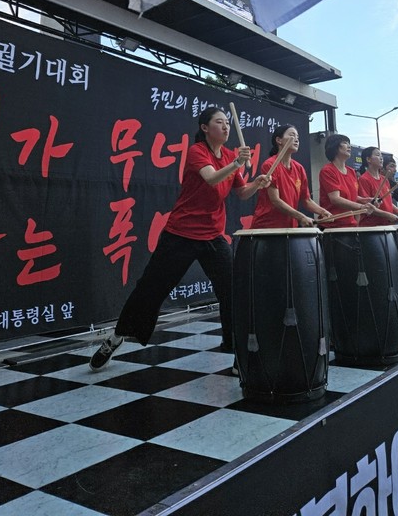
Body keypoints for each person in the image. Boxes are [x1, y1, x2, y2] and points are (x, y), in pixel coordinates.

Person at [89, 107, 270, 372]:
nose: (225, 127)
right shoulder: (198, 152)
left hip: (213, 236)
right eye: (219, 122)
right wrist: (236, 164)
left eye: (227, 123)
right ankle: (116, 336)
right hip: (181, 234)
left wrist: (258, 184)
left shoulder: (231, 155)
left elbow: (241, 193)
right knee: (151, 289)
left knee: (233, 292)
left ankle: (237, 354)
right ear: (205, 128)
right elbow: (210, 179)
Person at [251, 124, 331, 228]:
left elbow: (306, 200)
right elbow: (275, 200)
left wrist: (323, 211)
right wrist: (301, 217)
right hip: (268, 226)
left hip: (289, 227)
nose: (296, 139)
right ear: (279, 140)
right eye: (292, 135)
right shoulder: (270, 165)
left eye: (297, 137)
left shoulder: (299, 168)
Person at [318, 134, 377, 227]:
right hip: (333, 226)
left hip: (350, 225)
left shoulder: (351, 171)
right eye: (345, 143)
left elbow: (352, 196)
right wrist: (362, 207)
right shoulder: (328, 170)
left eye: (349, 143)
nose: (349, 146)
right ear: (335, 146)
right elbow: (335, 199)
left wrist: (365, 200)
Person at [357, 146, 398, 226]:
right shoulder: (364, 179)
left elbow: (387, 202)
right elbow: (368, 206)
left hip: (387, 225)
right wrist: (388, 215)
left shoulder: (384, 179)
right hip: (372, 228)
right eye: (378, 155)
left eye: (381, 156)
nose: (381, 158)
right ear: (368, 159)